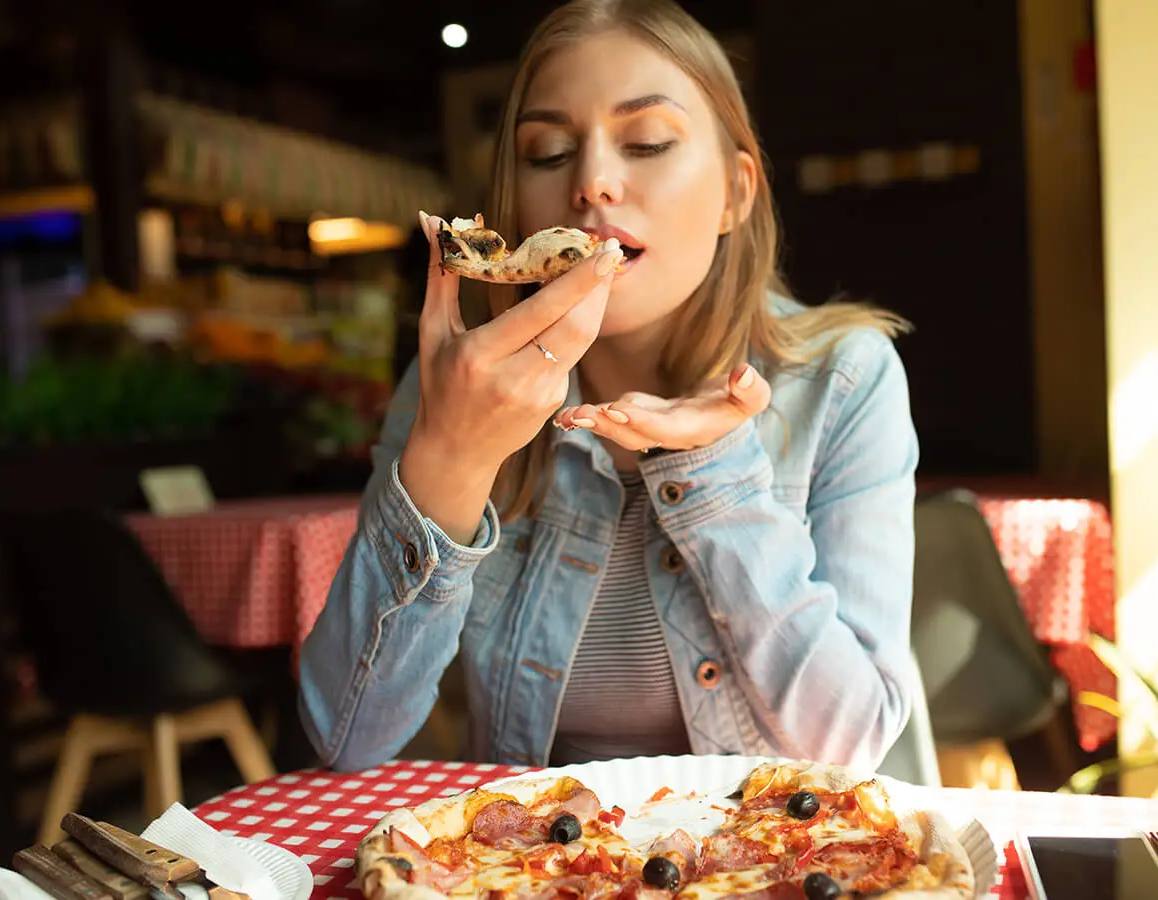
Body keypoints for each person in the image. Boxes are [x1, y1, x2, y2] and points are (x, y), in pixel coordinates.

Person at [298, 0, 920, 773]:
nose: (592, 184)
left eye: (648, 142)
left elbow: (851, 745)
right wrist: (450, 461)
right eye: (550, 153)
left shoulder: (842, 381)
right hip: (529, 869)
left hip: (767, 861)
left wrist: (716, 473)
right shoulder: (456, 390)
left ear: (736, 190)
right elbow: (345, 741)